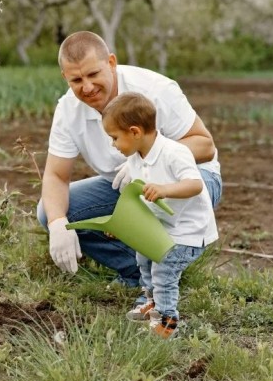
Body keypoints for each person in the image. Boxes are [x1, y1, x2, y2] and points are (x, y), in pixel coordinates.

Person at [37, 31, 222, 294]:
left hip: (191, 179)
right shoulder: (68, 110)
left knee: (152, 205)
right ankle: (137, 272)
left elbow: (204, 145)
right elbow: (56, 176)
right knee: (50, 211)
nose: (87, 87)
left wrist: (148, 159)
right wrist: (57, 225)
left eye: (93, 74)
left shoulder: (155, 90)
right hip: (125, 187)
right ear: (64, 77)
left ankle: (165, 274)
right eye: (76, 79)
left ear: (111, 63)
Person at [102, 92, 218, 339]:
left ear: (135, 132)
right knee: (143, 257)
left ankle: (167, 322)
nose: (112, 144)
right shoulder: (136, 158)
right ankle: (152, 303)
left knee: (163, 271)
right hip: (162, 226)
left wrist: (165, 189)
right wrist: (121, 225)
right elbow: (135, 197)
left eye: (114, 138)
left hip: (188, 231)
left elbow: (195, 184)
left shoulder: (174, 152)